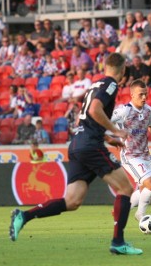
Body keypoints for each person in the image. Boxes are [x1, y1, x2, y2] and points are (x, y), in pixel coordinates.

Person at [9, 53, 142, 255]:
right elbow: (95, 110)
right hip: (90, 145)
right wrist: (115, 130)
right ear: (122, 70)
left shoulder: (94, 86)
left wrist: (107, 138)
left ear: (105, 66)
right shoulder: (111, 85)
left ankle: (23, 216)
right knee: (125, 188)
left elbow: (89, 119)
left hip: (78, 143)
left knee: (72, 201)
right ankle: (118, 242)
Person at [110, 80, 151, 222]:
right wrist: (112, 135)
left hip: (145, 155)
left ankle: (120, 211)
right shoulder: (124, 111)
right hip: (130, 156)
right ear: (132, 95)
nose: (144, 98)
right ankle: (140, 215)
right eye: (140, 95)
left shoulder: (148, 110)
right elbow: (105, 120)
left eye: (145, 94)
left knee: (144, 188)